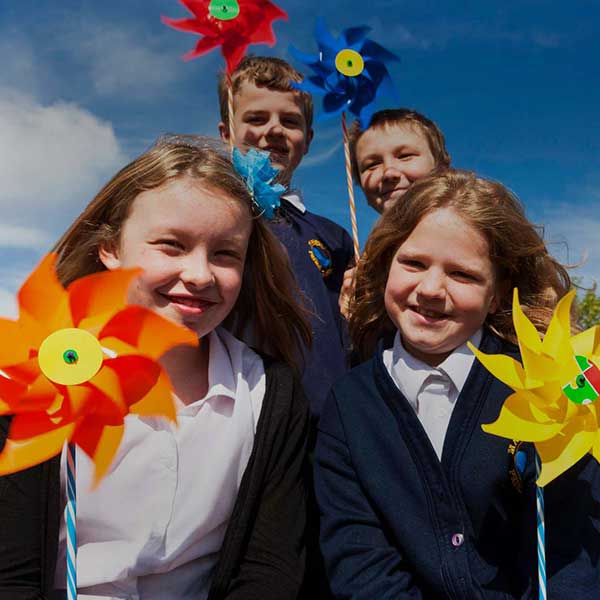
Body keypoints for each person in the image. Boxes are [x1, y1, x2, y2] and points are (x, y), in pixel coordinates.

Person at [0, 136, 312, 600]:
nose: (201, 274)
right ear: (110, 249)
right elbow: (12, 571)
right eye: (171, 245)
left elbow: (269, 569)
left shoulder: (270, 394)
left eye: (226, 253)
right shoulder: (35, 377)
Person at [315, 169, 600, 598]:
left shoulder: (555, 387)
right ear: (387, 264)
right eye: (413, 263)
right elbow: (360, 563)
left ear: (499, 294)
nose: (431, 289)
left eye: (463, 275)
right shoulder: (349, 403)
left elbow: (572, 550)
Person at [218, 55, 355, 419]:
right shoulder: (214, 215)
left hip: (328, 415)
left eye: (290, 121)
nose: (274, 130)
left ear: (308, 140)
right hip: (239, 411)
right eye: (256, 118)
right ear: (226, 132)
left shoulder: (334, 236)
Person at [340, 108, 450, 318]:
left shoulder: (475, 230)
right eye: (371, 165)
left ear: (442, 164)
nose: (389, 172)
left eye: (405, 156)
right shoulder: (368, 261)